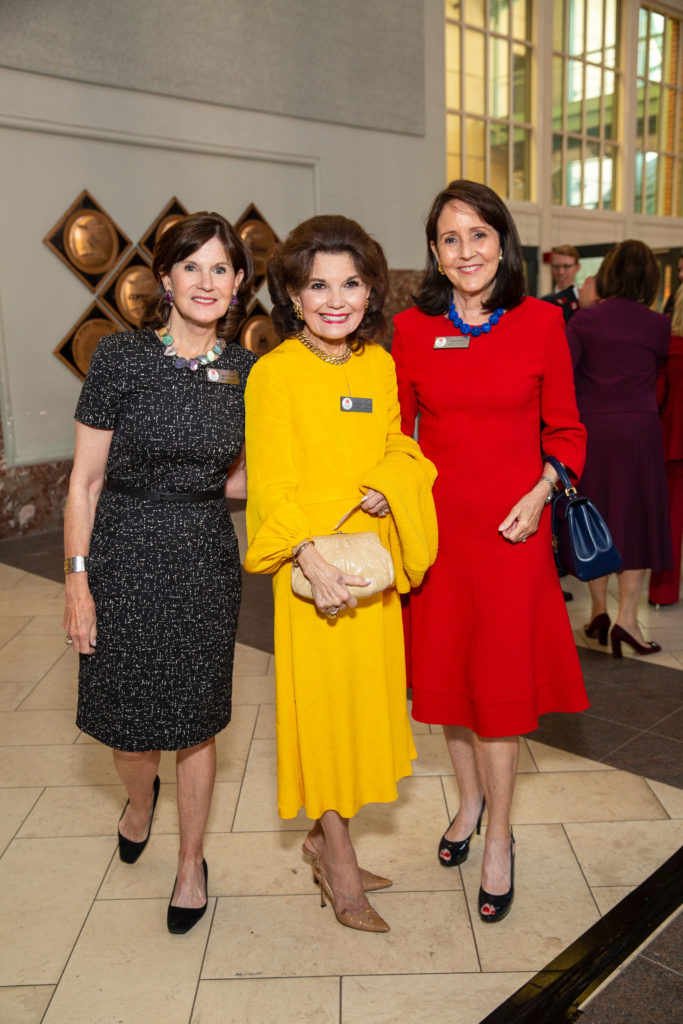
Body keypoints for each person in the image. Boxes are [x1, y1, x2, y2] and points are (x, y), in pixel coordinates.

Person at [392, 180, 588, 924]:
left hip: (513, 536)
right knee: (448, 679)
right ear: (435, 253)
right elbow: (395, 434)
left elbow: (566, 430)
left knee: (499, 697)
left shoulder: (540, 323)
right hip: (439, 540)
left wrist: (540, 493)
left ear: (503, 243)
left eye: (478, 234)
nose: (465, 250)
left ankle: (499, 834)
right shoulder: (412, 329)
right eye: (449, 237)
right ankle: (467, 801)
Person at [63, 212, 255, 934]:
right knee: (129, 730)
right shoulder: (119, 358)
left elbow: (237, 480)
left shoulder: (247, 372)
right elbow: (83, 482)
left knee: (197, 725)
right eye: (192, 266)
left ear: (238, 285)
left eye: (221, 268)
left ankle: (189, 863)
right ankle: (139, 801)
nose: (206, 281)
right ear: (166, 279)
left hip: (203, 556)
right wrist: (78, 582)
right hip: (121, 552)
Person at [244, 214, 437, 934]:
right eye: (317, 284)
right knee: (322, 717)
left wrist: (393, 478)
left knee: (361, 711)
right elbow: (270, 484)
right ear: (292, 294)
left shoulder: (377, 364)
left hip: (370, 565)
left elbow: (395, 441)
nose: (335, 299)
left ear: (370, 292)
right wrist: (310, 561)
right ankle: (341, 863)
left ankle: (328, 839)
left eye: (350, 283)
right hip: (310, 570)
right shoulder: (273, 373)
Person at [567, 240, 672, 654]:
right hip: (641, 432)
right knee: (638, 523)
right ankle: (628, 619)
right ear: (650, 278)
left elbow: (567, 380)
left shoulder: (583, 323)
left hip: (593, 431)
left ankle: (597, 612)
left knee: (598, 521)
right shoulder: (657, 326)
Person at [649, 292, 683, 606]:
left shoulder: (670, 346)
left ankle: (663, 592)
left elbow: (657, 394)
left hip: (674, 439)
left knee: (671, 520)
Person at [540, 244, 581, 323]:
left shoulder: (585, 302)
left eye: (566, 266)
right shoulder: (544, 303)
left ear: (577, 267)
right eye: (556, 266)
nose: (561, 272)